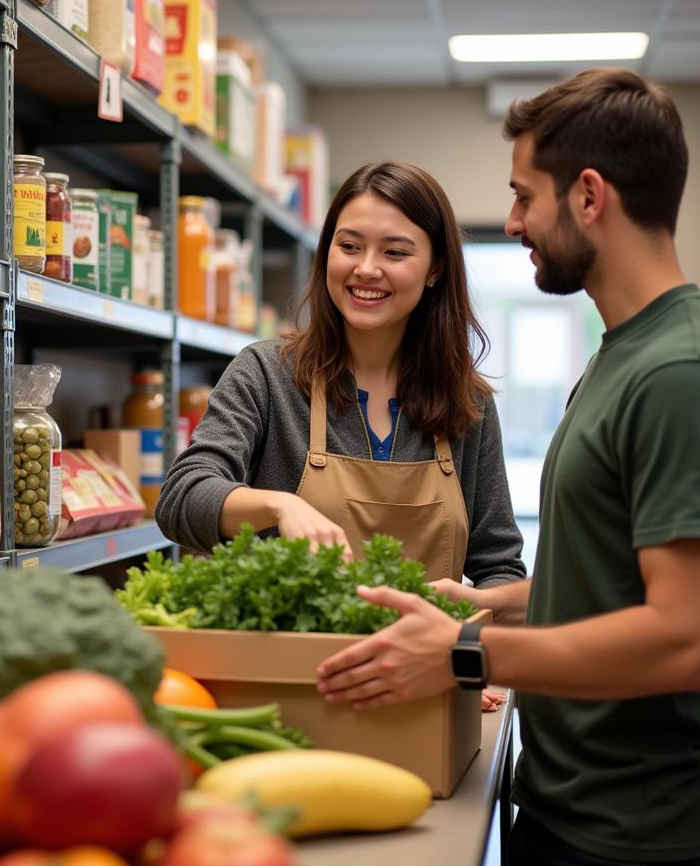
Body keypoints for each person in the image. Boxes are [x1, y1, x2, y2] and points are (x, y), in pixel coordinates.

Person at [315, 68, 700, 866]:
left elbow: (687, 641)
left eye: (526, 196)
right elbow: (621, 576)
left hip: (645, 845)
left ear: (589, 196)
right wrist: (494, 603)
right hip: (578, 817)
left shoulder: (684, 375)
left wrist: (466, 652)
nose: (517, 221)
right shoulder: (621, 358)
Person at [156, 160, 527, 592]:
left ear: (435, 270)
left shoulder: (468, 402)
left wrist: (468, 613)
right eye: (349, 246)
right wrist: (279, 506)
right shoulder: (266, 374)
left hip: (423, 656)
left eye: (395, 252)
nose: (366, 269)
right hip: (287, 657)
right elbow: (182, 496)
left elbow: (499, 566)